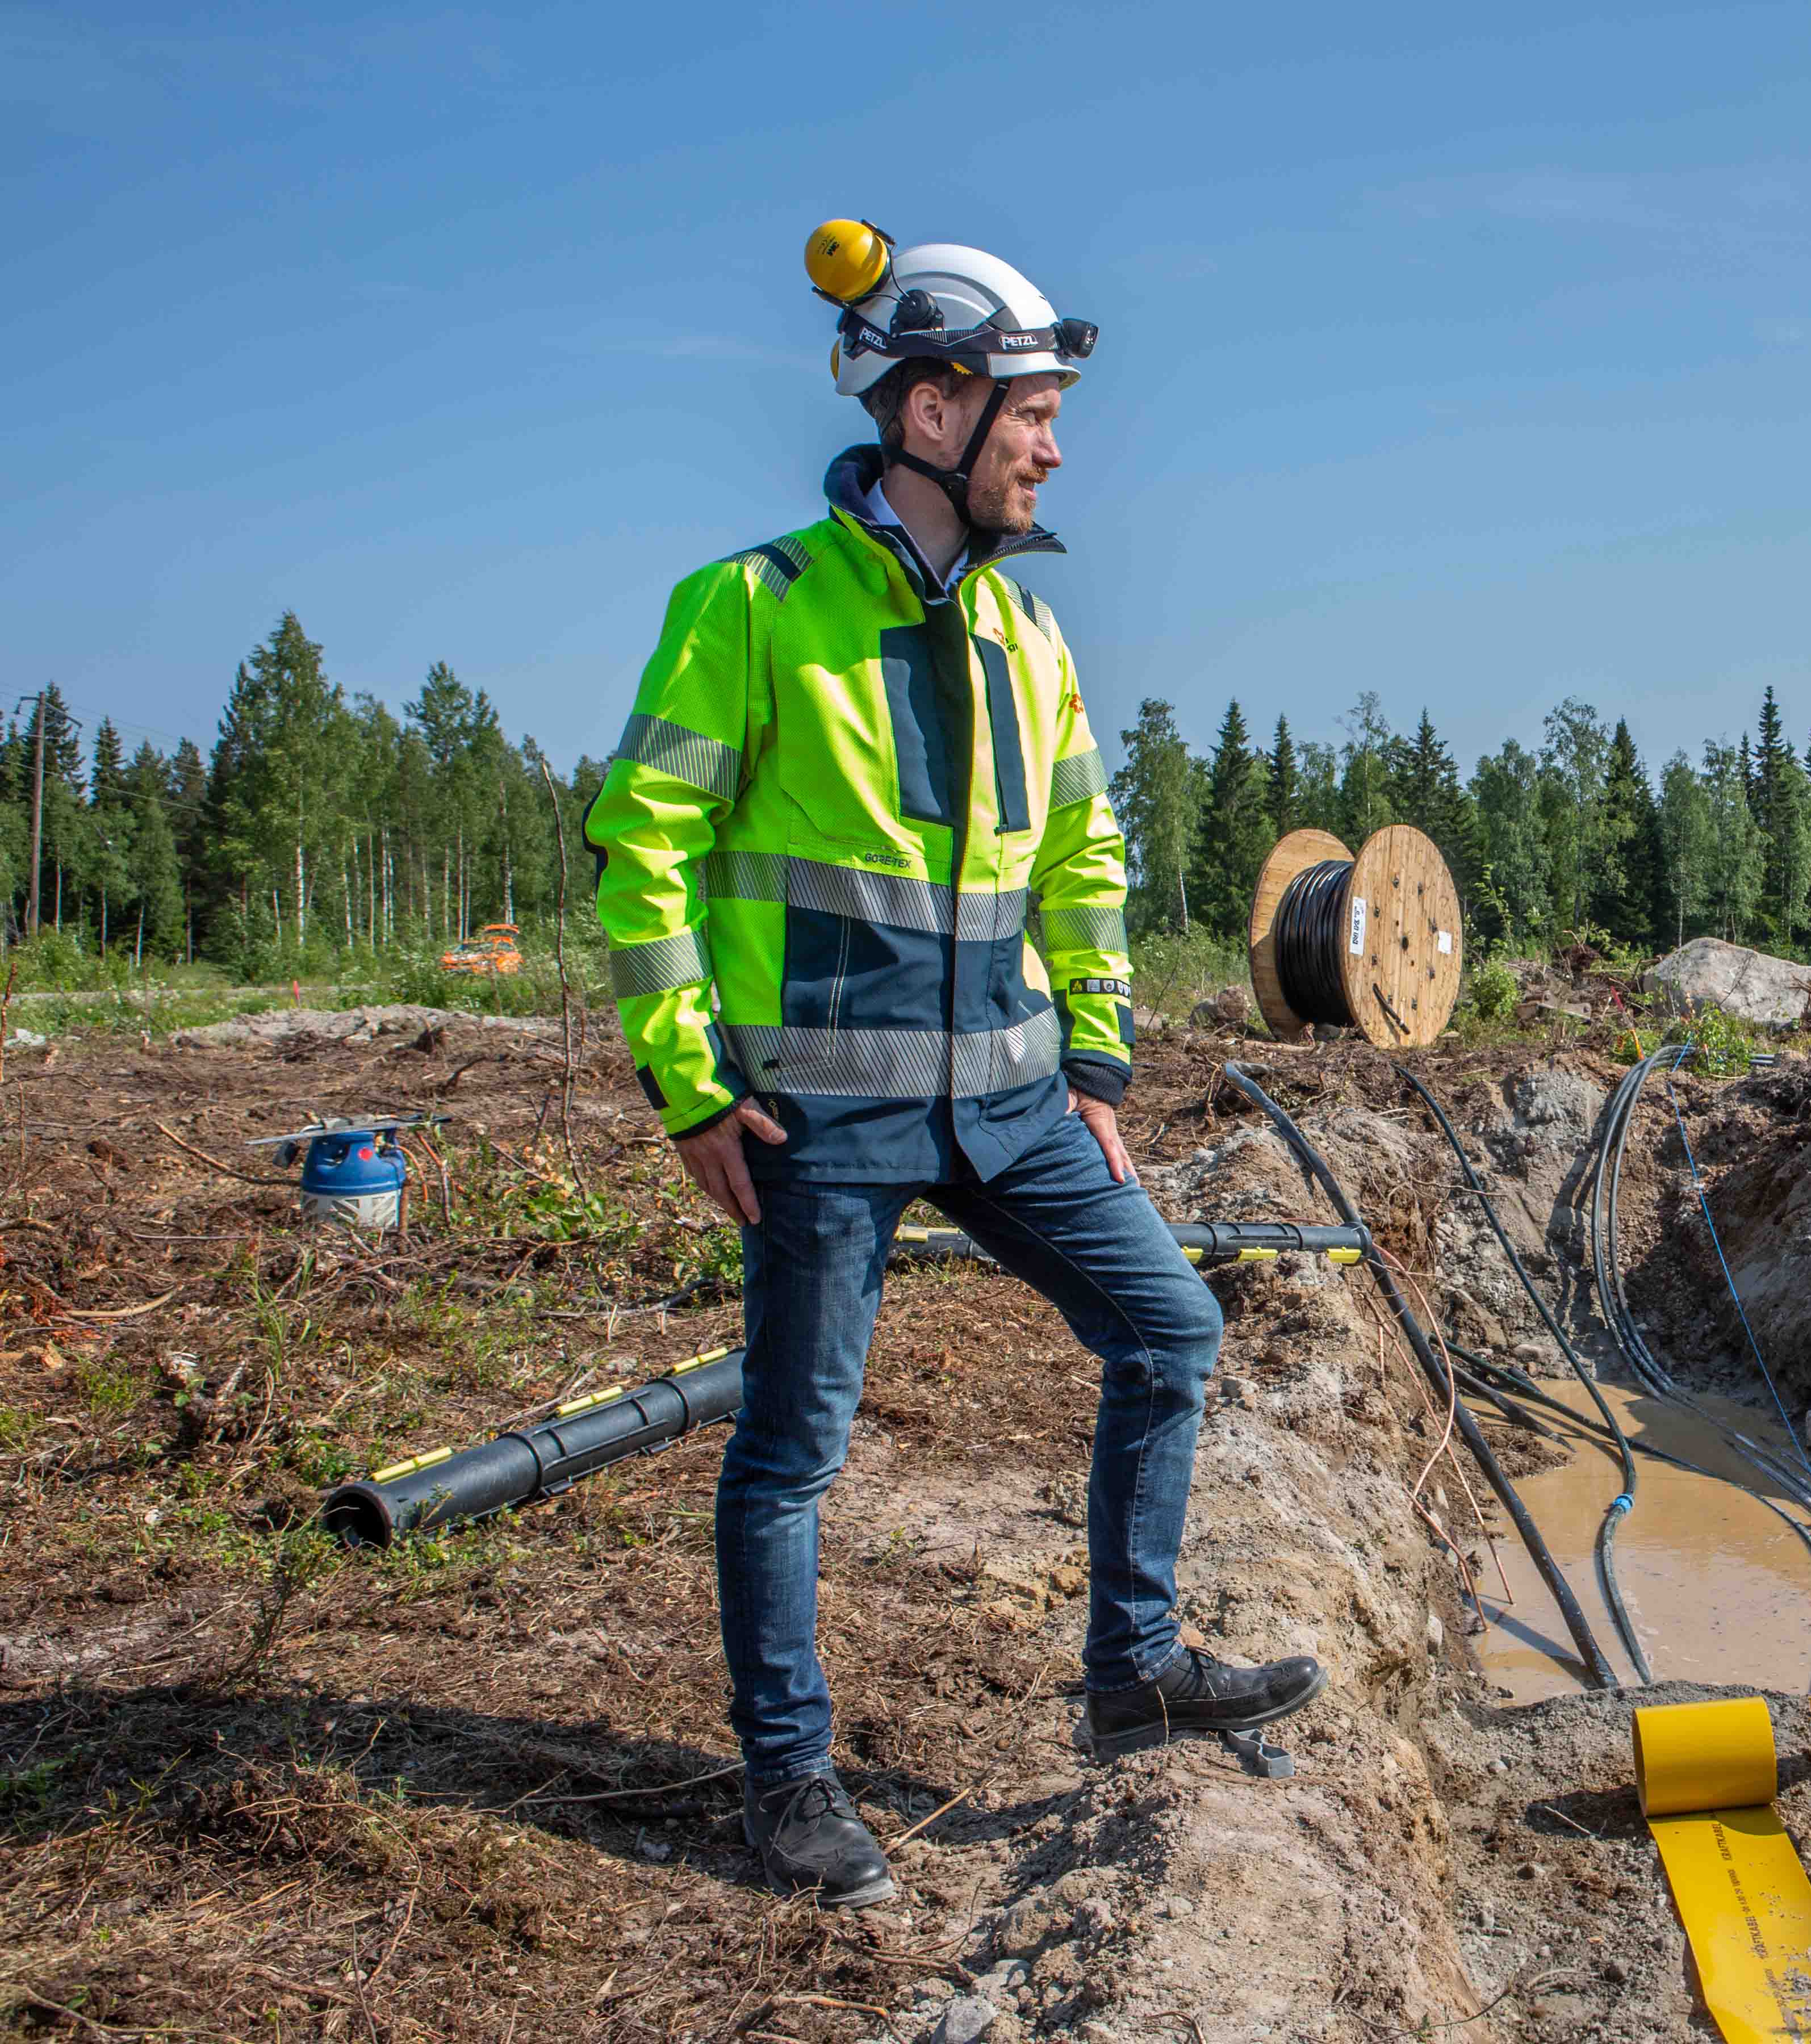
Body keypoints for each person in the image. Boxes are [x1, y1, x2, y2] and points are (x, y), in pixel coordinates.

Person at [585, 220, 1324, 1909]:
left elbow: (1084, 857)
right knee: (793, 1451)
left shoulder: (1028, 636)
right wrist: (689, 1078)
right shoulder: (752, 608)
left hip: (1009, 1107)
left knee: (1173, 1325)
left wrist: (1100, 1061)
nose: (1056, 448)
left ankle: (1132, 1671)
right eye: (1031, 412)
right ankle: (787, 1785)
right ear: (931, 410)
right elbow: (645, 843)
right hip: (822, 1118)